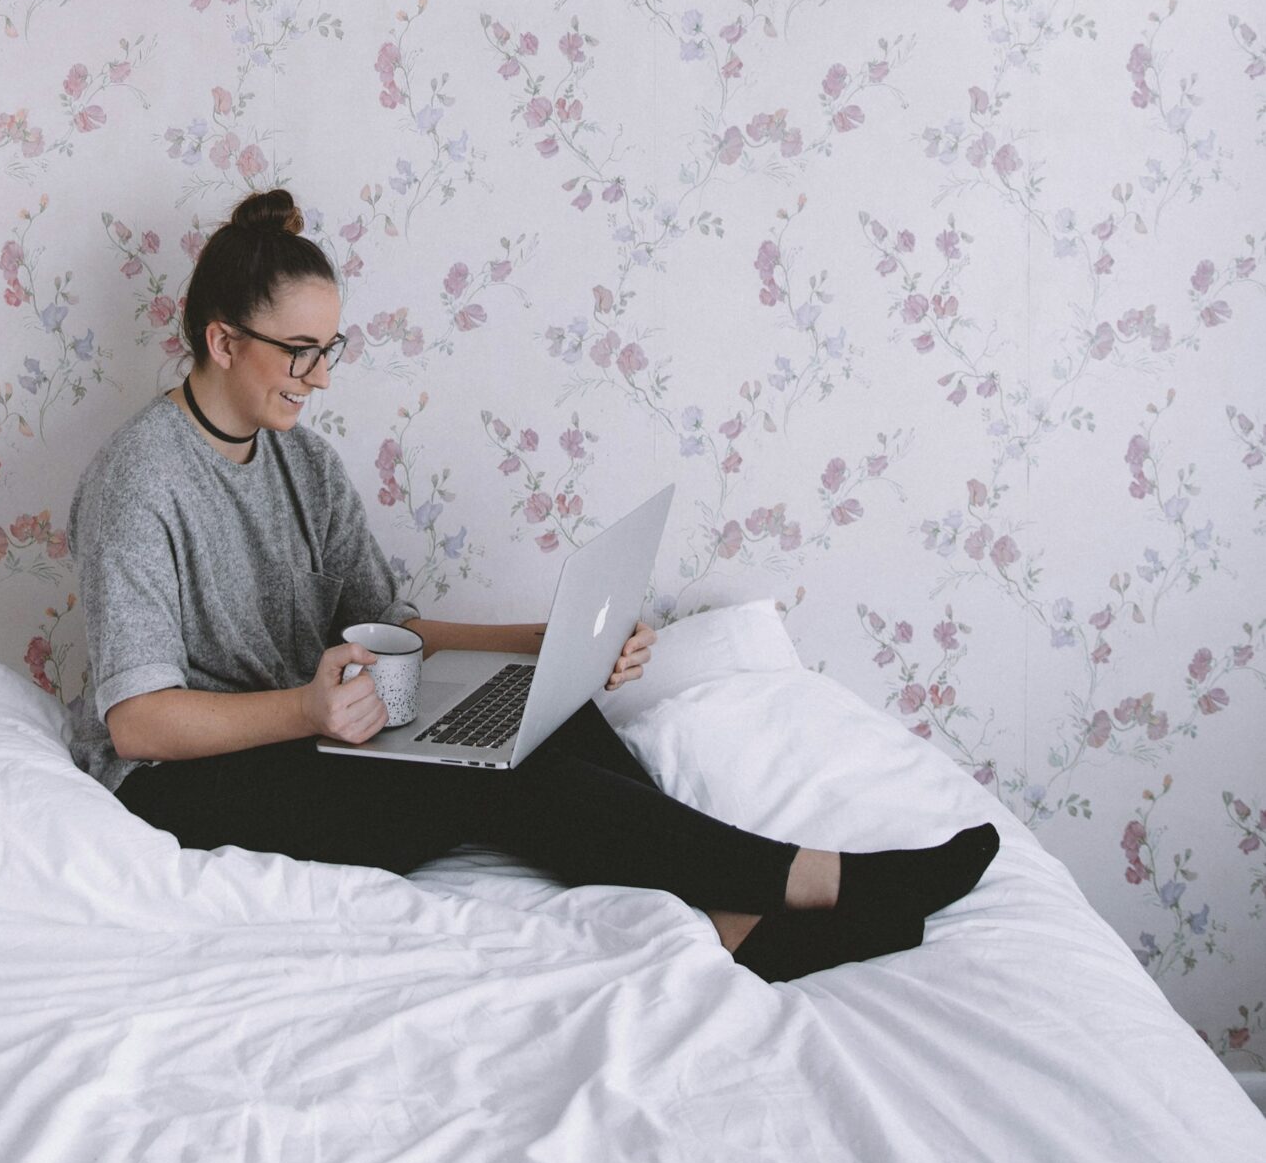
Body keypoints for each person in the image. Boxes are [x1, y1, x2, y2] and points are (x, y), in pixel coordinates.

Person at [68, 189, 999, 982]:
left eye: (331, 349)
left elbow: (390, 626)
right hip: (184, 783)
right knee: (486, 771)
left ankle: (734, 920)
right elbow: (137, 722)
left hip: (317, 732)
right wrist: (307, 715)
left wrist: (548, 646)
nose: (318, 377)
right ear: (223, 341)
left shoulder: (303, 464)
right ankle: (816, 880)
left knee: (531, 711)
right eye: (298, 351)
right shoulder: (138, 479)